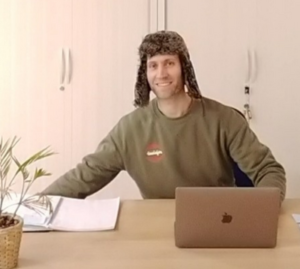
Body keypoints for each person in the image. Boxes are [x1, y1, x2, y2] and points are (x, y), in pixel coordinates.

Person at [41, 30, 286, 201]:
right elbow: (85, 175)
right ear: (145, 74)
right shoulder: (129, 129)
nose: (161, 73)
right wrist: (31, 208)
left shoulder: (224, 119)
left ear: (184, 68)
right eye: (153, 65)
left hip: (219, 225)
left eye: (169, 63)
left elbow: (269, 170)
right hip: (156, 230)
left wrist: (259, 211)